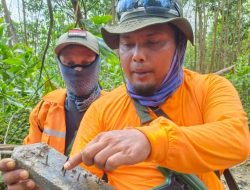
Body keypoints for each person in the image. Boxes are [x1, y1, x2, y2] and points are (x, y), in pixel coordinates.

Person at [63, 0, 250, 189]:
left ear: (179, 46)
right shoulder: (102, 110)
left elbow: (236, 140)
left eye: (152, 42)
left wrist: (151, 141)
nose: (137, 56)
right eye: (127, 44)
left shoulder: (209, 88)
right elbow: (79, 179)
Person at [0, 28, 106, 189]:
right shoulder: (46, 107)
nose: (77, 70)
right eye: (69, 64)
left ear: (98, 63)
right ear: (59, 64)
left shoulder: (116, 108)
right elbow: (30, 159)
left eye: (86, 63)